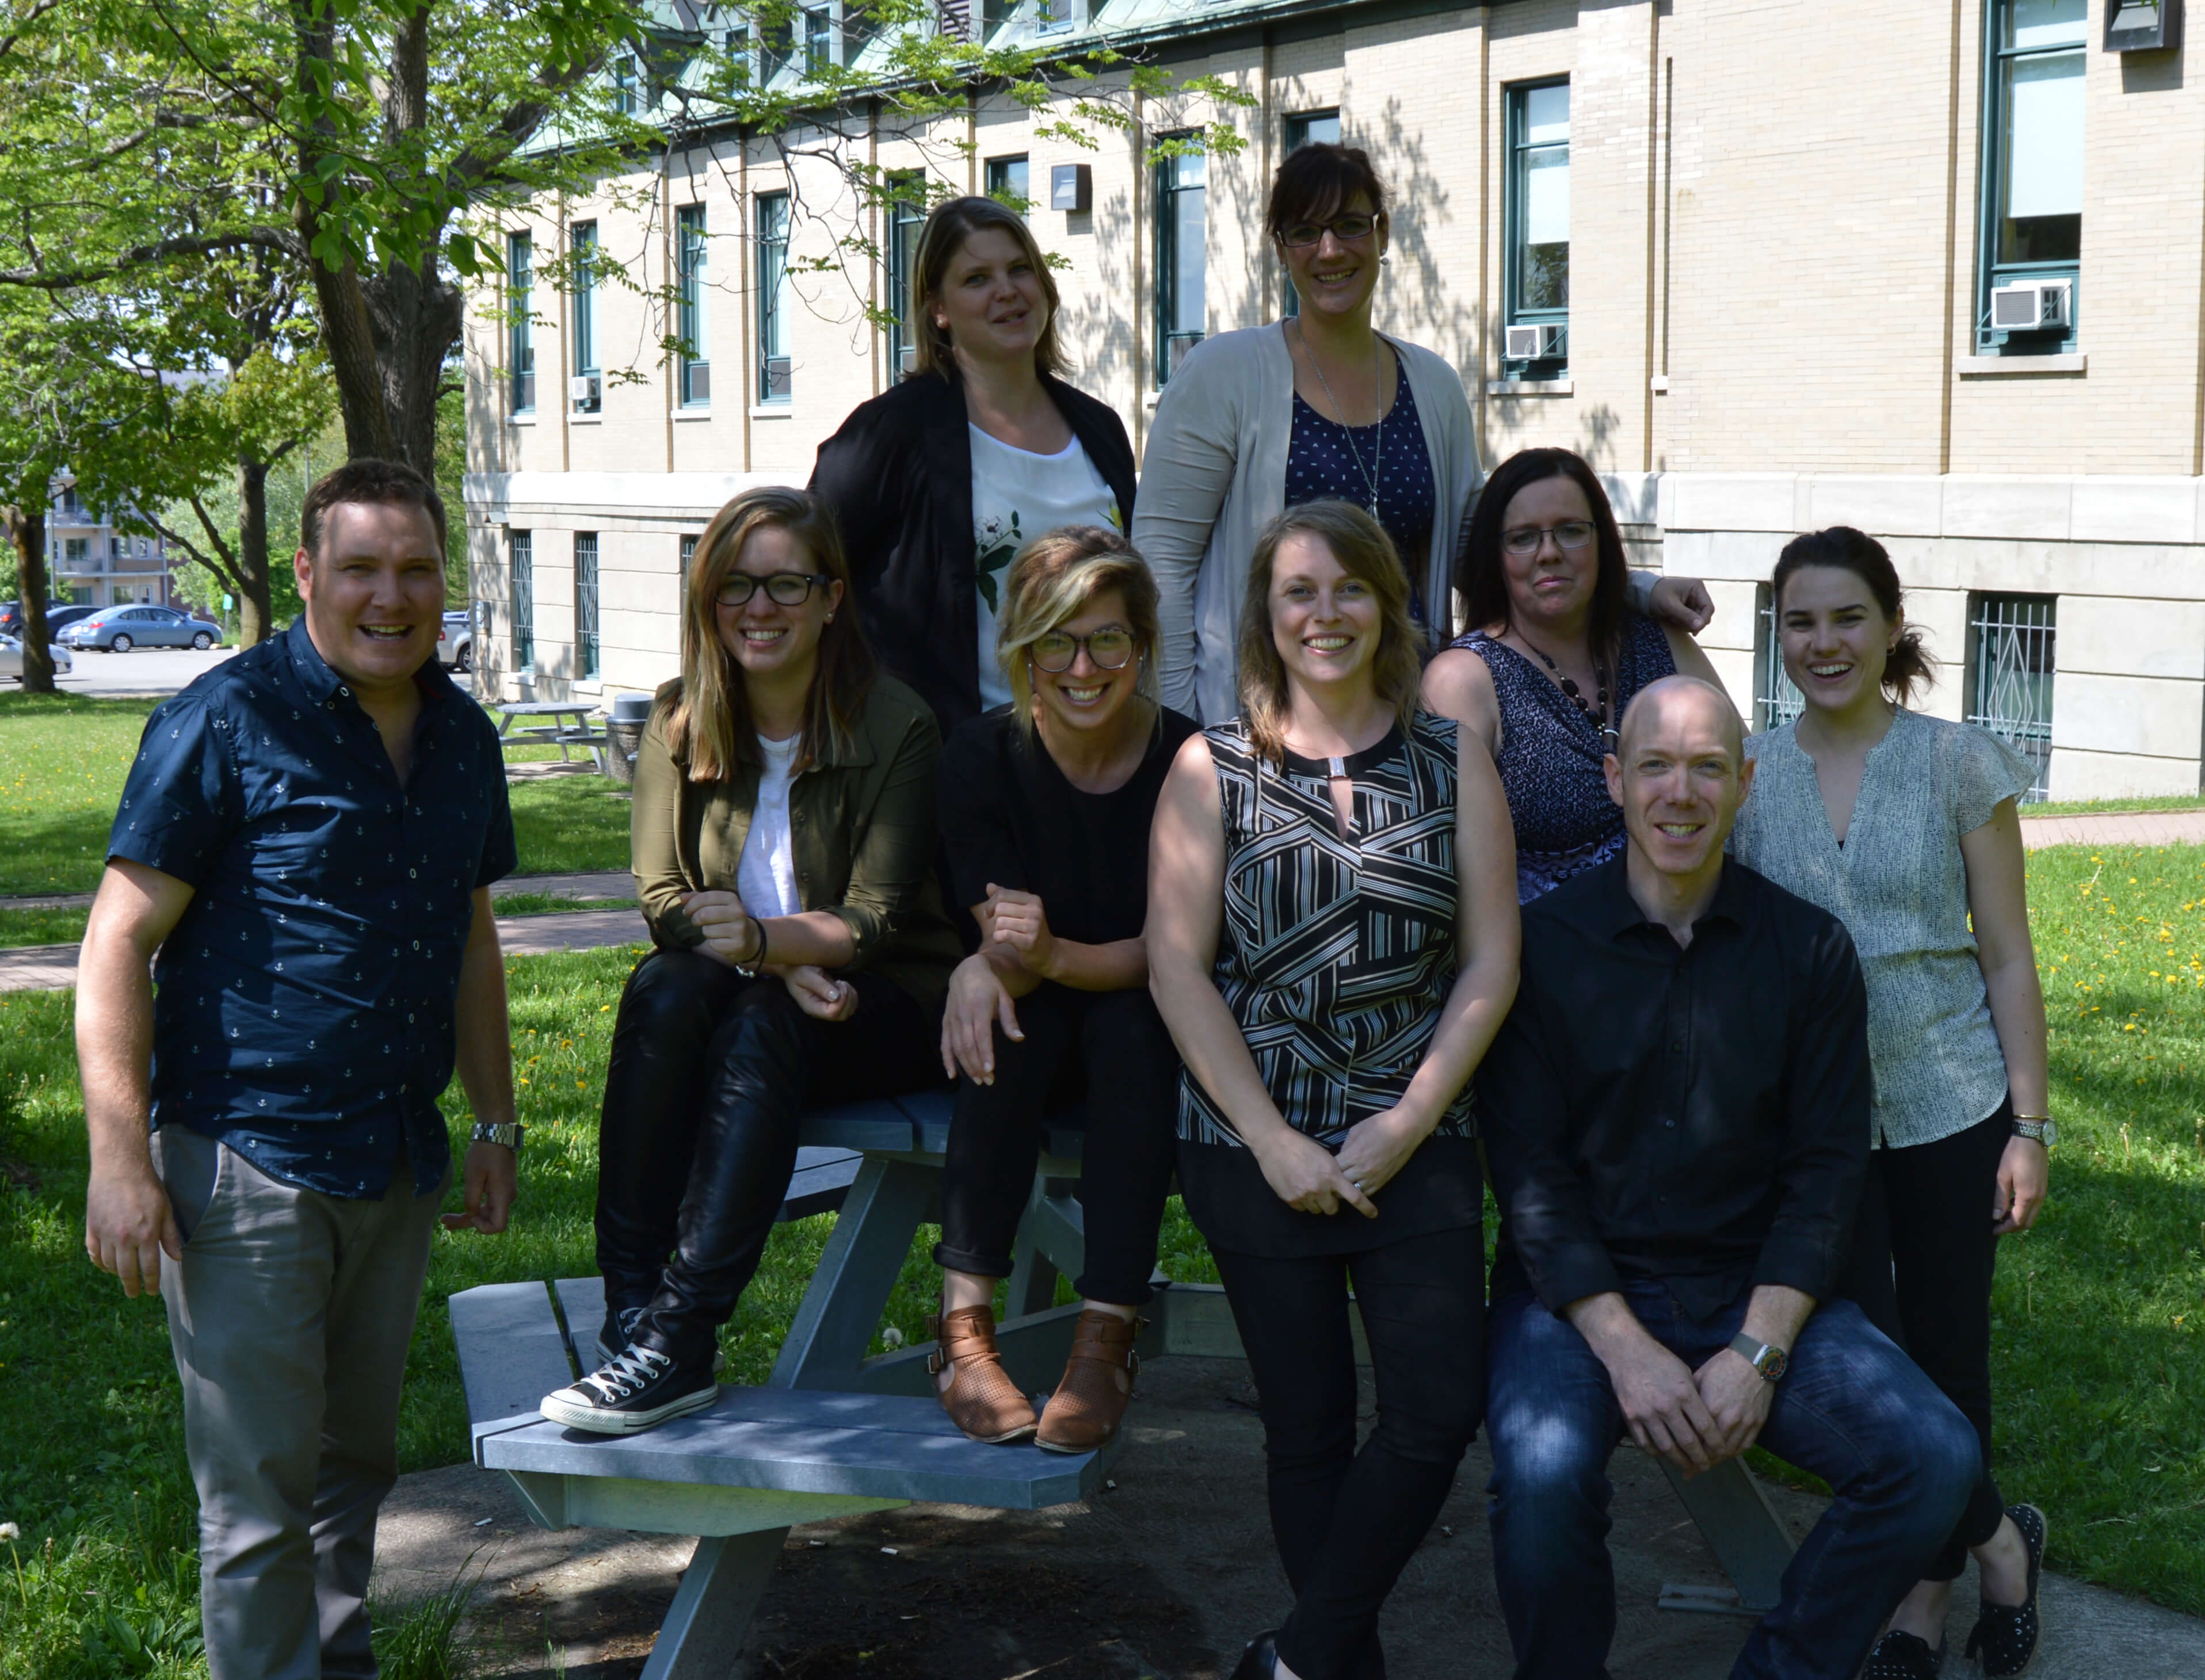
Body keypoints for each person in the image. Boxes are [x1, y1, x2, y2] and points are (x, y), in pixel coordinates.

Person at [75, 459, 522, 1680]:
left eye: (417, 568)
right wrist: (120, 1155)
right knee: (259, 1502)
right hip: (243, 1163)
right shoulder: (224, 718)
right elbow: (117, 935)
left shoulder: (464, 737)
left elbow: (470, 931)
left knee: (351, 1476)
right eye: (364, 567)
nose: (393, 594)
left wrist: (496, 1117)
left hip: (393, 1157)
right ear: (308, 575)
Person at [1478, 674, 1986, 1680]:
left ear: (1744, 785)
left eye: (1707, 767)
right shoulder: (1541, 951)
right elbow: (1529, 1178)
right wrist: (1625, 1351)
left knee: (1934, 1458)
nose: (1680, 793)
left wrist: (1757, 1351)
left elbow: (1825, 1173)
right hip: (1580, 1302)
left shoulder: (1807, 952)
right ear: (1615, 781)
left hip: (1752, 1291)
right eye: (1656, 766)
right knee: (1539, 1476)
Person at [1148, 501, 1520, 1680]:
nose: (1324, 612)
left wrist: (1404, 1121)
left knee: (1433, 1408)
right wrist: (1272, 1143)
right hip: (1251, 1142)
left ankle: (1297, 1653)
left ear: (1387, 603)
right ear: (1265, 613)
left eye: (1348, 587)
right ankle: (1333, 1664)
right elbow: (1175, 966)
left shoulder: (1447, 756)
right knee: (1305, 1425)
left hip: (1415, 1132)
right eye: (1298, 590)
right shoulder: (1213, 765)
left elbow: (1492, 958)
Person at [544, 486, 960, 1434]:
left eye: (785, 584)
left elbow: (878, 921)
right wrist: (769, 958)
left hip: (883, 1002)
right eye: (736, 585)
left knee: (761, 1022)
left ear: (831, 598)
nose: (759, 607)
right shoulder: (677, 720)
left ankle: (681, 1333)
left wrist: (768, 951)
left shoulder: (898, 726)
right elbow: (661, 903)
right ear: (708, 598)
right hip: (743, 985)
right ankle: (632, 1311)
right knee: (663, 986)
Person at [1729, 528, 2050, 1680]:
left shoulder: (1957, 761)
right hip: (1812, 1130)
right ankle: (1998, 1537)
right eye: (1800, 620)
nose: (1823, 641)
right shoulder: (1749, 774)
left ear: (1887, 624)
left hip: (1949, 1105)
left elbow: (2006, 955)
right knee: (1868, 1367)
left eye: (1846, 616)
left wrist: (2028, 1124)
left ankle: (1921, 1600)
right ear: (1778, 632)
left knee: (1949, 1357)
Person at [1134, 143, 1713, 724]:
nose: (1329, 249)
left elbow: (1482, 551)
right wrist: (1180, 728)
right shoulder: (1224, 374)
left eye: (1349, 225)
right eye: (1304, 231)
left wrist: (1637, 588)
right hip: (1262, 725)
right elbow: (1162, 566)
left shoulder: (1431, 385)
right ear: (1281, 248)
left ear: (1382, 234)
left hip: (1401, 725)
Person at [929, 526, 1199, 1452]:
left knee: (1135, 1028)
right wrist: (987, 965)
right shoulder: (980, 759)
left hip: (1151, 1012)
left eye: (1108, 640)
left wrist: (1035, 960)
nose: (1083, 666)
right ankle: (963, 1334)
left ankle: (1106, 1336)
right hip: (1036, 1011)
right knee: (1009, 1023)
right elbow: (1002, 936)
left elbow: (1175, 954)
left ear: (1143, 647)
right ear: (1022, 652)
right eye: (1057, 640)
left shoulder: (1188, 760)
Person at [810, 194, 1137, 732]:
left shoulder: (1100, 429)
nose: (1007, 291)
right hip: (951, 763)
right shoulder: (891, 434)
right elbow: (804, 566)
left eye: (1019, 269)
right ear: (938, 309)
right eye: (977, 279)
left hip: (1095, 754)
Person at [1423, 445, 1729, 902]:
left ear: (1601, 540)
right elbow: (1451, 877)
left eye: (1570, 531)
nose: (1548, 553)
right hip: (1543, 962)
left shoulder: (1661, 642)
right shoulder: (1465, 681)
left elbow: (1740, 779)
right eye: (1523, 537)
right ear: (1496, 555)